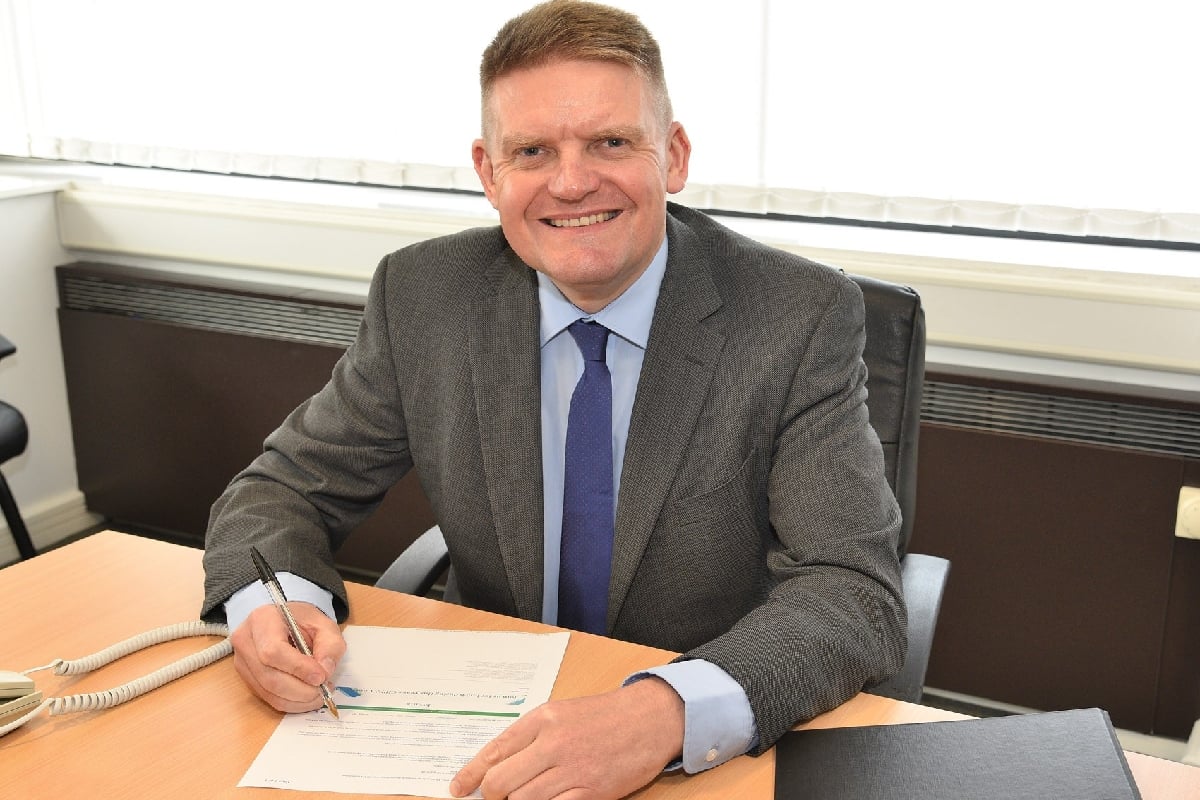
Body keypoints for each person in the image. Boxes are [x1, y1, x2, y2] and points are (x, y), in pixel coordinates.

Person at [201, 1, 906, 798]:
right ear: (488, 172)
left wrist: (662, 712)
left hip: (700, 747)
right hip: (486, 719)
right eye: (532, 150)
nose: (572, 182)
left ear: (672, 155)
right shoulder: (425, 295)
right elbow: (283, 488)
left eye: (610, 141)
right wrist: (273, 605)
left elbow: (851, 589)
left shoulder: (796, 316)